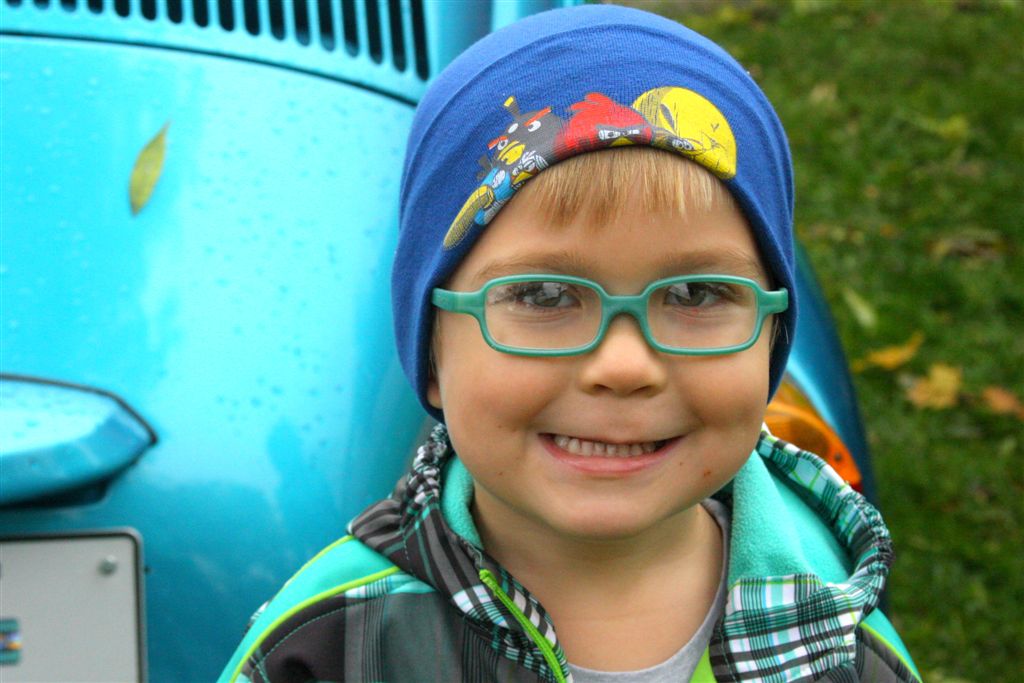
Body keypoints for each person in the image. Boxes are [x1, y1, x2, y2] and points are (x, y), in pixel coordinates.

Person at [220, 5, 920, 682]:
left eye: (694, 294)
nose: (625, 366)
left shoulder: (843, 651)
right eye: (545, 296)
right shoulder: (326, 650)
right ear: (432, 348)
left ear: (770, 339)